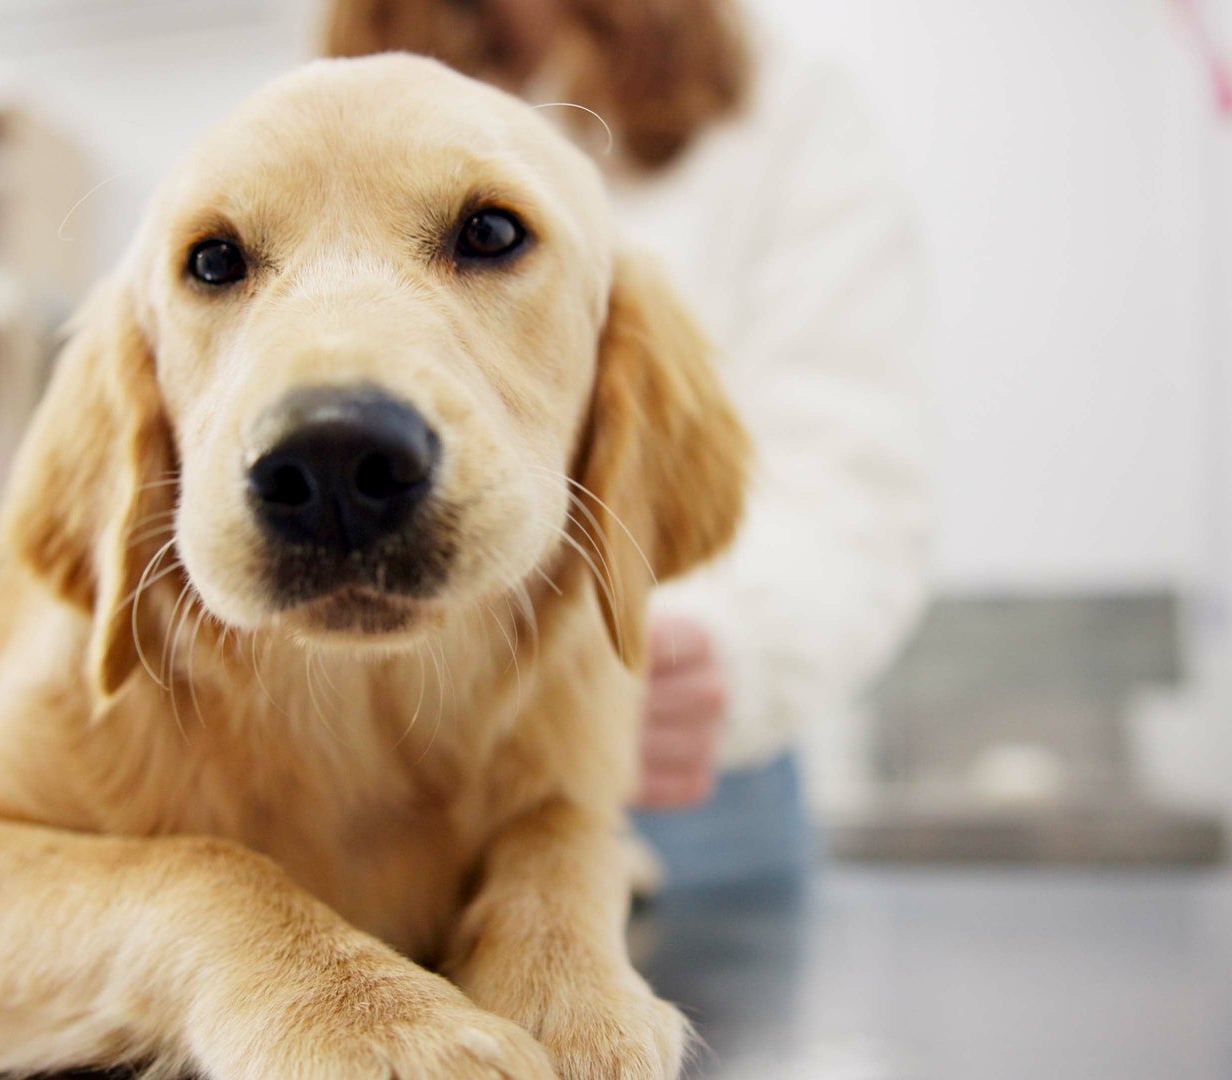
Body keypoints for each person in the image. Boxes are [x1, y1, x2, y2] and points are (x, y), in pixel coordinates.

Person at [324, 0, 934, 886]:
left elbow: (851, 466)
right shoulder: (342, 84)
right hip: (367, 768)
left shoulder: (789, 108)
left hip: (674, 769)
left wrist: (732, 649)